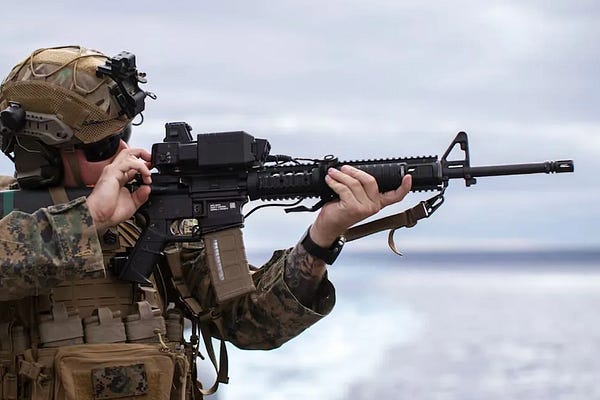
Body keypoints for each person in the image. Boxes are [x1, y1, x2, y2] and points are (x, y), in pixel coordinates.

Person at [0, 46, 412, 399]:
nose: (124, 151)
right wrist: (91, 218)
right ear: (42, 151)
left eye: (124, 134)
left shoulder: (145, 217)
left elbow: (250, 322)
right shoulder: (13, 217)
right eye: (104, 145)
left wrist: (322, 237)